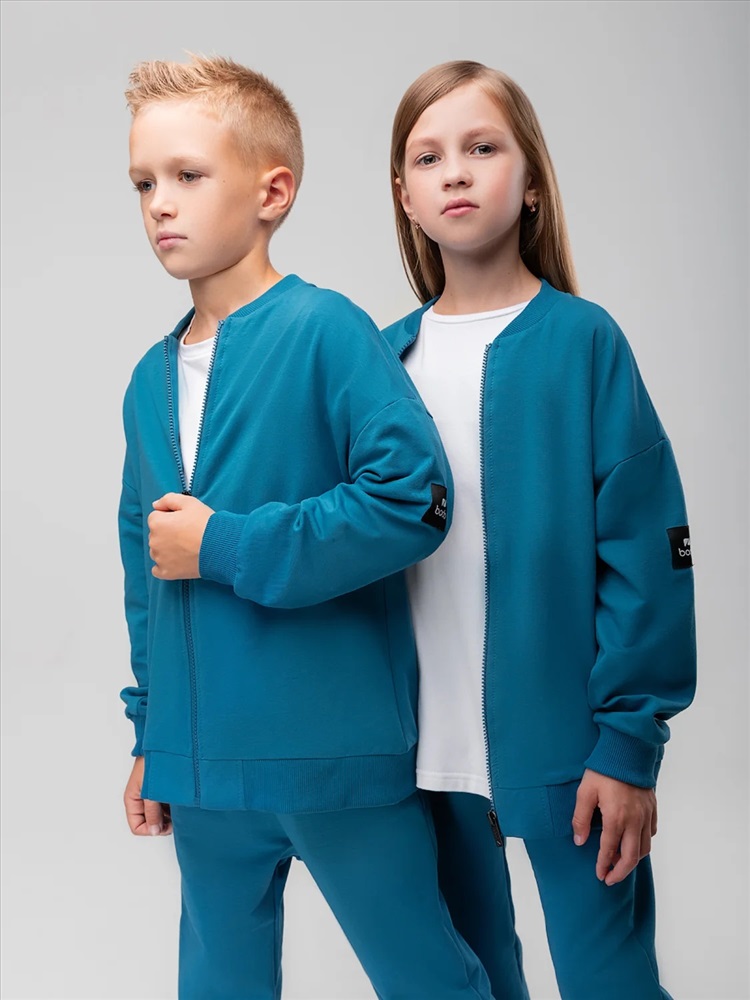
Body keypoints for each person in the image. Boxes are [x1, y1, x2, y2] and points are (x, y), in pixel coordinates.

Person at [118, 53, 496, 1000]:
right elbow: (143, 567)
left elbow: (413, 499)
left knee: (430, 981)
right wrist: (152, 735)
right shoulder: (146, 381)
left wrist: (225, 544)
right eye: (144, 183)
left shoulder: (326, 329)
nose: (161, 204)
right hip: (204, 772)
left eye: (187, 175)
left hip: (333, 757)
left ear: (272, 192)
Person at [382, 60, 697, 1000]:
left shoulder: (584, 342)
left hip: (569, 749)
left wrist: (627, 743)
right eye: (428, 157)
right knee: (471, 978)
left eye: (482, 147)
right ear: (405, 198)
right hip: (420, 761)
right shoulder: (382, 360)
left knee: (611, 982)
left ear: (531, 183)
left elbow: (648, 553)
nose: (455, 171)